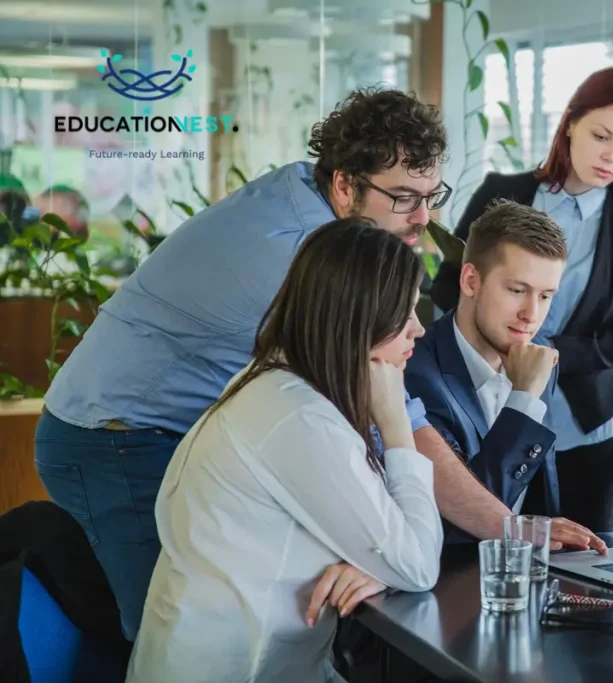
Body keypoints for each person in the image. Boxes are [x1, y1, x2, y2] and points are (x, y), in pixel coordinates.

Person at [35, 85, 592, 641]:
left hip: (181, 426)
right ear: (346, 184)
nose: (423, 218)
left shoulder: (319, 196)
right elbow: (398, 415)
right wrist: (510, 528)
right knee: (171, 627)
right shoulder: (298, 256)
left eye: (430, 195)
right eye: (402, 198)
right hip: (114, 433)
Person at [126, 218, 442, 683]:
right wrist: (397, 428)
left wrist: (380, 564)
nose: (418, 329)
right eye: (405, 312)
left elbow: (395, 547)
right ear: (358, 317)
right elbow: (417, 563)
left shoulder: (280, 385)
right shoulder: (299, 419)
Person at [431, 67, 613, 532]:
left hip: (588, 429)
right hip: (495, 417)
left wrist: (553, 355)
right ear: (571, 122)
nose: (611, 157)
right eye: (601, 136)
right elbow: (447, 285)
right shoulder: (503, 192)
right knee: (489, 555)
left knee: (582, 577)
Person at [407, 200, 608, 553]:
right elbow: (468, 518)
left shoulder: (539, 355)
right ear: (471, 281)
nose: (532, 315)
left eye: (545, 296)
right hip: (451, 577)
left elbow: (536, 499)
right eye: (517, 290)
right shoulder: (416, 373)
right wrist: (525, 400)